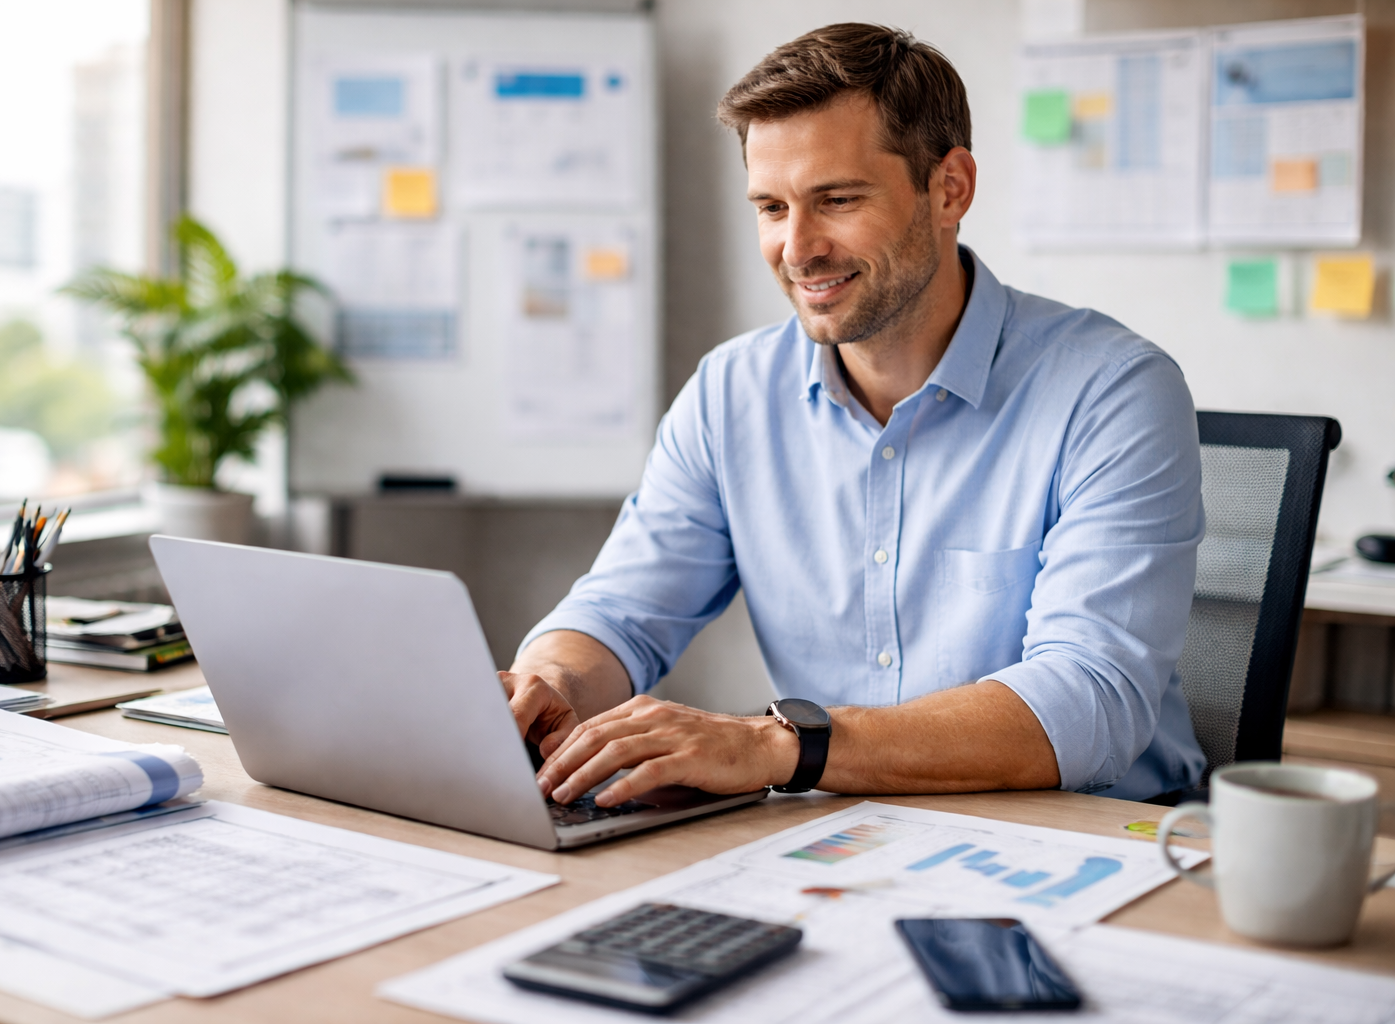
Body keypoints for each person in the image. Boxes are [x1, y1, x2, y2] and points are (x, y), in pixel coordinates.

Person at [502, 23, 1206, 809]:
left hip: (1094, 844)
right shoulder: (730, 393)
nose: (797, 248)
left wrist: (777, 746)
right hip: (839, 838)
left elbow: (1091, 699)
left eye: (836, 200)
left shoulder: (1111, 391)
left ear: (950, 189)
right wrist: (551, 681)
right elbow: (620, 610)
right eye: (771, 207)